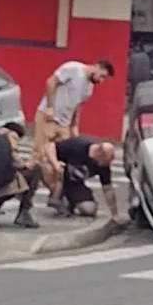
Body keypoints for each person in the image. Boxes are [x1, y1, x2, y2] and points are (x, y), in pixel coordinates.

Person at [32, 59, 115, 208]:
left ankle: (59, 193)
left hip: (64, 123)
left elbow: (77, 105)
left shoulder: (89, 88)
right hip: (49, 117)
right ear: (97, 67)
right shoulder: (73, 69)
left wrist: (74, 125)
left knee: (66, 161)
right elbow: (51, 82)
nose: (101, 81)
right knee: (41, 155)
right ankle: (30, 192)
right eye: (102, 76)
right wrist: (50, 107)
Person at [44, 136, 127, 224]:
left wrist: (114, 214)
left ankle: (70, 201)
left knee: (89, 209)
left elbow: (108, 189)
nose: (105, 164)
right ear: (99, 153)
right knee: (47, 167)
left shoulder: (103, 166)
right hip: (59, 176)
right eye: (105, 161)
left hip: (75, 184)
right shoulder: (78, 146)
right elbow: (50, 146)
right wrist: (55, 164)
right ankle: (55, 197)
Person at [0, 122, 41, 228]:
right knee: (35, 171)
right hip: (1, 185)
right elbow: (14, 159)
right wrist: (26, 165)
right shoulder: (10, 136)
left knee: (1, 173)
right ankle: (24, 213)